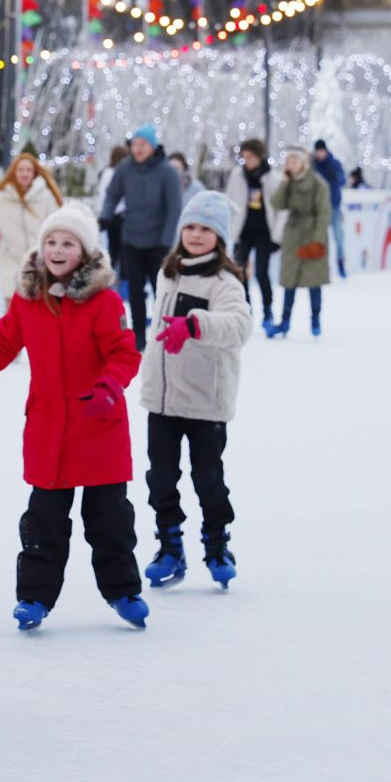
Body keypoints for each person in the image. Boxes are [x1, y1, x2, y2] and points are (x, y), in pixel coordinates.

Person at [0, 203, 147, 630]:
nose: (57, 250)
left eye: (68, 243)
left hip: (98, 425)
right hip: (49, 430)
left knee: (110, 520)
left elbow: (124, 354)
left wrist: (109, 388)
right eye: (51, 242)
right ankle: (34, 598)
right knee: (43, 521)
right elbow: (2, 344)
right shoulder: (29, 301)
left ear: (86, 252)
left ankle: (123, 591)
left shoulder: (104, 301)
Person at [140, 191, 250, 592]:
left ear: (219, 237)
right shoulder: (168, 273)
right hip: (162, 400)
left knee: (209, 480)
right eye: (190, 227)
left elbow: (240, 326)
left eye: (206, 228)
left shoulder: (224, 282)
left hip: (206, 402)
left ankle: (218, 546)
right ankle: (170, 547)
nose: (196, 235)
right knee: (161, 479)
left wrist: (194, 324)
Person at [99, 124, 183, 351]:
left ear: (153, 146)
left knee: (161, 291)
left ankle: (163, 330)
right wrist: (105, 217)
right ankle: (138, 335)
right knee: (135, 291)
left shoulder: (167, 171)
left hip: (158, 243)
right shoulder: (124, 169)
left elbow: (174, 208)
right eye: (134, 144)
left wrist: (166, 242)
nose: (137, 149)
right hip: (131, 240)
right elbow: (112, 195)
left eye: (142, 144)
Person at [267, 148, 331, 339]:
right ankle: (284, 322)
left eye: (294, 161)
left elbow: (323, 214)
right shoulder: (289, 183)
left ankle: (315, 319)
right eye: (288, 162)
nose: (291, 165)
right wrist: (285, 183)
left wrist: (318, 241)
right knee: (289, 281)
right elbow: (277, 203)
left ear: (304, 163)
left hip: (312, 234)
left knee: (314, 281)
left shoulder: (318, 184)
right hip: (293, 236)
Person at [0, 152, 63, 311]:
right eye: (21, 170)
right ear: (14, 172)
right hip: (10, 257)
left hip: (37, 259)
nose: (25, 173)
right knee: (11, 302)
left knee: (37, 304)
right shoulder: (2, 197)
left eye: (29, 170)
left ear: (34, 173)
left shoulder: (45, 197)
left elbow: (57, 220)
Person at [224, 138, 286, 331]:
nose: (247, 161)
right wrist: (230, 229)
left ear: (260, 156)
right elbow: (229, 202)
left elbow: (282, 210)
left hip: (264, 233)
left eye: (251, 157)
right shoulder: (237, 176)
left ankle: (267, 310)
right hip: (242, 232)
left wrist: (277, 237)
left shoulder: (274, 179)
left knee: (261, 272)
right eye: (244, 157)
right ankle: (245, 308)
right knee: (238, 271)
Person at [312, 139, 348, 279]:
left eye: (321, 151)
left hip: (334, 206)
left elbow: (342, 180)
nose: (320, 154)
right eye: (318, 151)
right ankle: (321, 266)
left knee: (338, 236)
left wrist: (335, 178)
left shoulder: (334, 163)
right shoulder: (312, 165)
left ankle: (340, 263)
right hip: (319, 207)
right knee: (320, 237)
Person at [95, 145, 128, 275]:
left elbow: (102, 194)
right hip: (120, 215)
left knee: (112, 247)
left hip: (108, 215)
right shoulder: (119, 173)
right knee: (121, 249)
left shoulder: (105, 172)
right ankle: (118, 276)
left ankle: (111, 273)